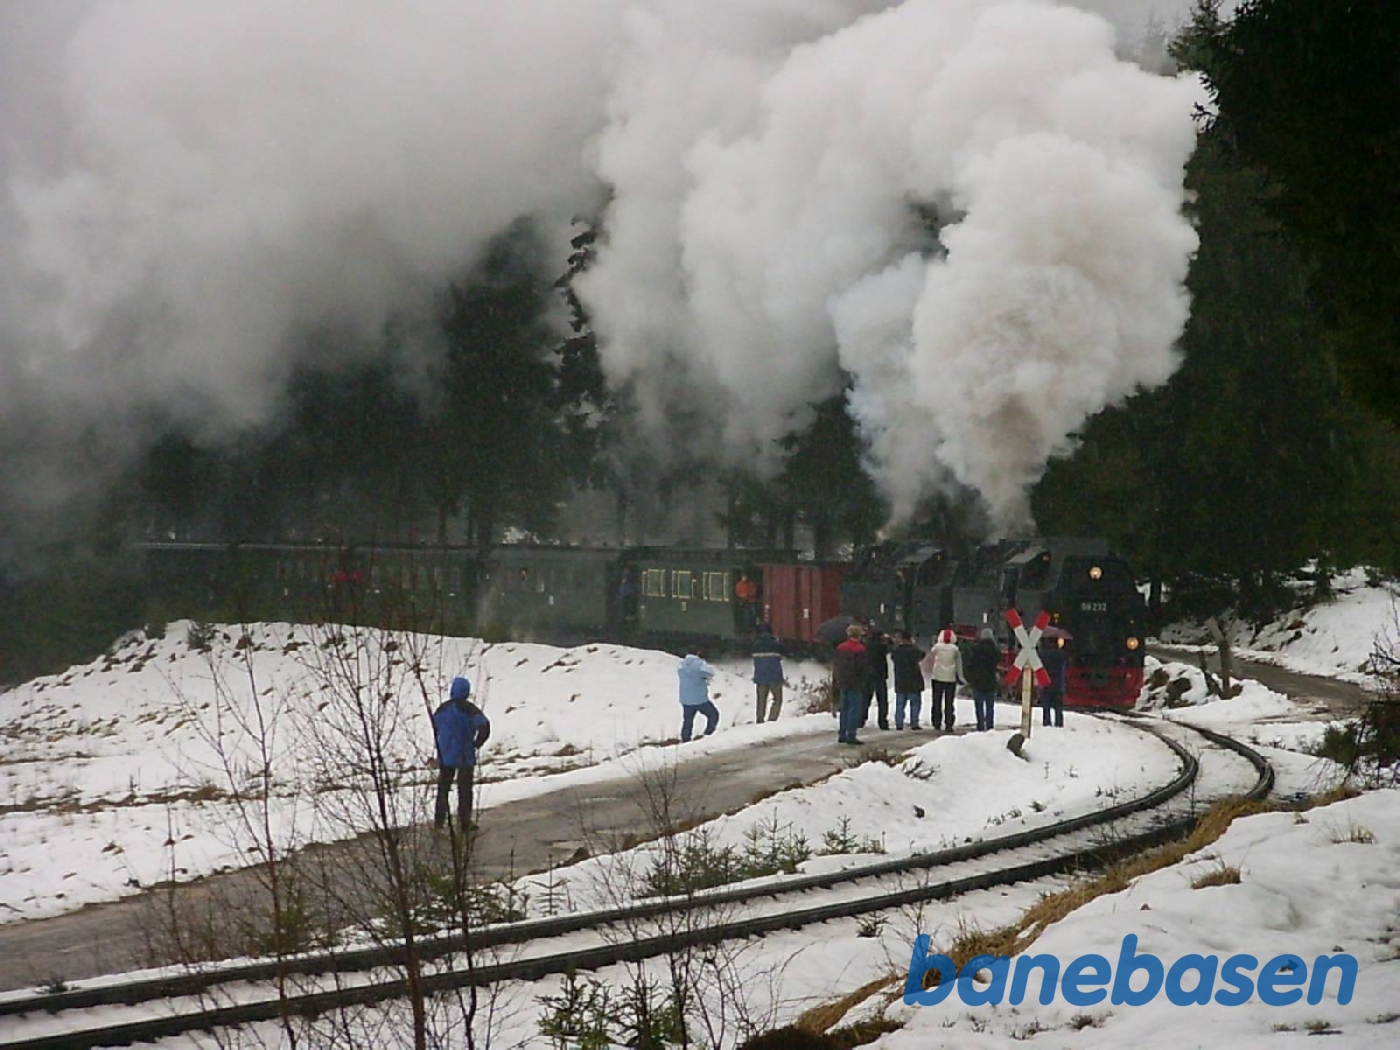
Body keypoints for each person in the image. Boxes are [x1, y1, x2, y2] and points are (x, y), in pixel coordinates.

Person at [432, 676, 492, 832]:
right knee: (464, 789)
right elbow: (484, 726)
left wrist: (442, 744)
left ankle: (439, 821)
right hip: (464, 754)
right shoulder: (469, 708)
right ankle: (464, 822)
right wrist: (476, 743)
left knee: (443, 788)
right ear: (466, 691)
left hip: (445, 754)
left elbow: (436, 726)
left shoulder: (441, 709)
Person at [832, 624, 870, 745]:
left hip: (843, 682)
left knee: (844, 708)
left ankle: (842, 733)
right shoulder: (860, 649)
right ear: (859, 635)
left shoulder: (840, 648)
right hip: (855, 683)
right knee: (855, 709)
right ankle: (851, 734)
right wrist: (864, 680)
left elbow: (836, 665)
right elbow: (862, 668)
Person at [922, 627, 965, 732]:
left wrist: (927, 671)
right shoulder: (955, 650)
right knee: (949, 702)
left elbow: (929, 660)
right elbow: (959, 665)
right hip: (950, 678)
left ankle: (936, 722)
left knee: (936, 700)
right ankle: (949, 723)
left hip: (937, 677)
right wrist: (961, 677)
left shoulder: (936, 648)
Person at [678, 649, 720, 741]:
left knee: (688, 721)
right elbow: (710, 673)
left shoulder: (681, 664)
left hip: (685, 698)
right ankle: (708, 734)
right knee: (713, 714)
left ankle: (685, 739)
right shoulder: (699, 663)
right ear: (698, 652)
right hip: (699, 698)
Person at [965, 628, 1002, 732]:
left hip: (978, 681)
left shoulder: (975, 649)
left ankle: (980, 725)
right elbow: (998, 660)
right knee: (990, 706)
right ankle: (990, 725)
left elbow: (970, 665)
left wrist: (971, 677)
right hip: (991, 680)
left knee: (979, 705)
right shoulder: (995, 650)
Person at [889, 630, 926, 730]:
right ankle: (914, 723)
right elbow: (922, 655)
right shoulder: (914, 650)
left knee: (900, 704)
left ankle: (899, 723)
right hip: (914, 681)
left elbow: (892, 657)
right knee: (915, 703)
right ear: (910, 639)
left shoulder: (896, 651)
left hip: (900, 680)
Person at [752, 622, 786, 723]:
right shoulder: (776, 644)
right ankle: (772, 719)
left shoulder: (755, 645)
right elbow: (783, 654)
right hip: (774, 677)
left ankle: (760, 718)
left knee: (761, 699)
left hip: (760, 676)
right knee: (777, 699)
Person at [863, 626, 892, 730]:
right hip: (880, 675)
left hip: (868, 675)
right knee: (882, 700)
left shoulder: (866, 645)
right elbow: (891, 648)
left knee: (865, 699)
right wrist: (888, 639)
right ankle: (882, 721)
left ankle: (861, 719)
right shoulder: (882, 646)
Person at [1038, 636, 1070, 727]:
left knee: (1046, 705)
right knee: (1058, 706)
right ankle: (1059, 722)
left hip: (1045, 682)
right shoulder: (1062, 654)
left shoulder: (1043, 654)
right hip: (1058, 683)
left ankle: (1046, 721)